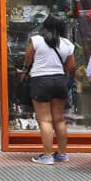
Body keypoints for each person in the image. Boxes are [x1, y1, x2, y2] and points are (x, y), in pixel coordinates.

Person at [23, 15, 76, 165]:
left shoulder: (37, 40)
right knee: (59, 119)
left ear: (45, 26)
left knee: (45, 119)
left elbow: (27, 59)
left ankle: (47, 156)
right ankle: (62, 154)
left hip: (40, 81)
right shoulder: (67, 44)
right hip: (60, 81)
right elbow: (71, 67)